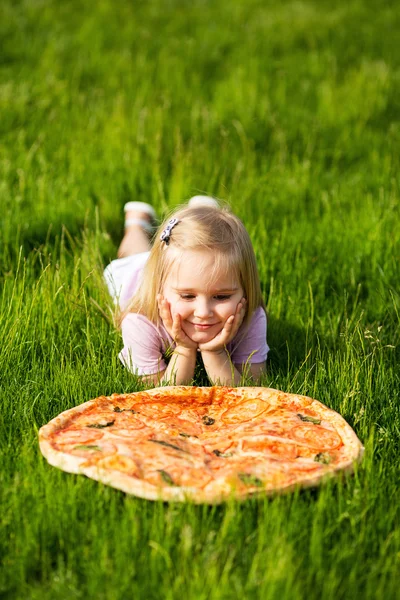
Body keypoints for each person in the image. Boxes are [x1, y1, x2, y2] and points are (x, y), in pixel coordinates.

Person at [104, 196, 269, 386]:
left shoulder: (251, 318)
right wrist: (184, 349)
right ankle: (136, 222)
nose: (203, 312)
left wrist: (214, 352)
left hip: (185, 267)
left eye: (221, 296)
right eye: (187, 296)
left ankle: (202, 213)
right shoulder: (140, 323)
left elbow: (251, 392)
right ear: (160, 288)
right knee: (135, 250)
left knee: (203, 234)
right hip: (135, 273)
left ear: (245, 289)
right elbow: (161, 397)